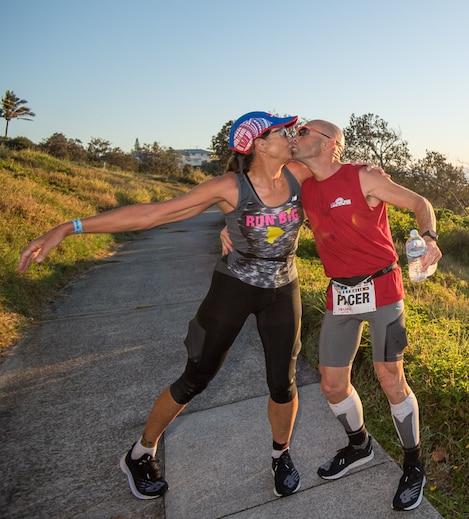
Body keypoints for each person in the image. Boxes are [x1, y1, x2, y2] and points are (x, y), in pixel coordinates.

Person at [17, 111, 312, 500]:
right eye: (283, 131)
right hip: (235, 288)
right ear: (258, 143)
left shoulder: (299, 174)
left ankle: (281, 454)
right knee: (196, 376)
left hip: (283, 288)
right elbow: (152, 214)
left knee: (283, 381)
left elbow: (336, 156)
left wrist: (374, 172)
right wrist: (69, 227)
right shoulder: (229, 187)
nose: (292, 135)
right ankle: (141, 452)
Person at [252, 119, 441, 511]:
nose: (296, 135)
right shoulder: (303, 183)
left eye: (304, 131)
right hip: (340, 294)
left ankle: (413, 464)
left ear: (329, 144)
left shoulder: (365, 177)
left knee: (390, 378)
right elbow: (254, 190)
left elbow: (420, 204)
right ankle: (360, 445)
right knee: (332, 384)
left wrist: (431, 240)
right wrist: (231, 230)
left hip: (383, 289)